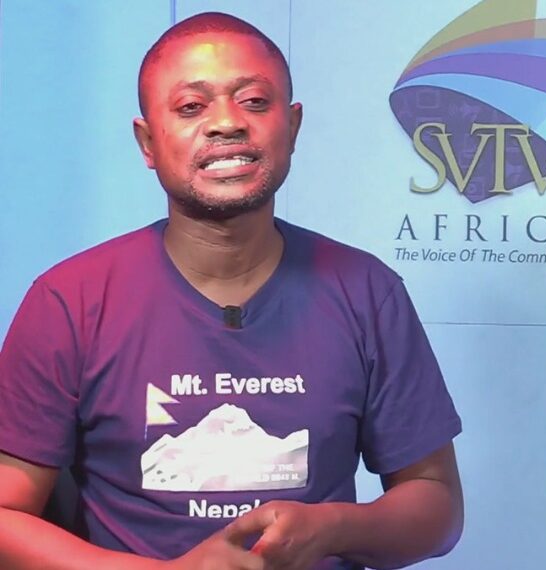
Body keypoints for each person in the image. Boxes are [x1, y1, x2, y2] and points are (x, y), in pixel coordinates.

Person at [0, 12, 462, 570]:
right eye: (191, 107)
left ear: (292, 127)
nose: (226, 123)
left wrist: (332, 527)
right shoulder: (69, 300)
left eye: (254, 101)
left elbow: (437, 504)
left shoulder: (366, 292)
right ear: (147, 142)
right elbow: (6, 514)